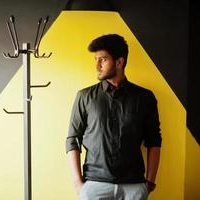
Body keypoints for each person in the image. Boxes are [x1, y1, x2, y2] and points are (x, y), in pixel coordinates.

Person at [66, 34, 162, 200]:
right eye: (96, 59)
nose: (97, 65)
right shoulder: (85, 97)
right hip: (94, 185)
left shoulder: (145, 98)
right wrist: (78, 184)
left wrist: (149, 183)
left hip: (134, 187)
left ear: (119, 62)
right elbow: (73, 139)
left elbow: (154, 141)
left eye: (102, 59)